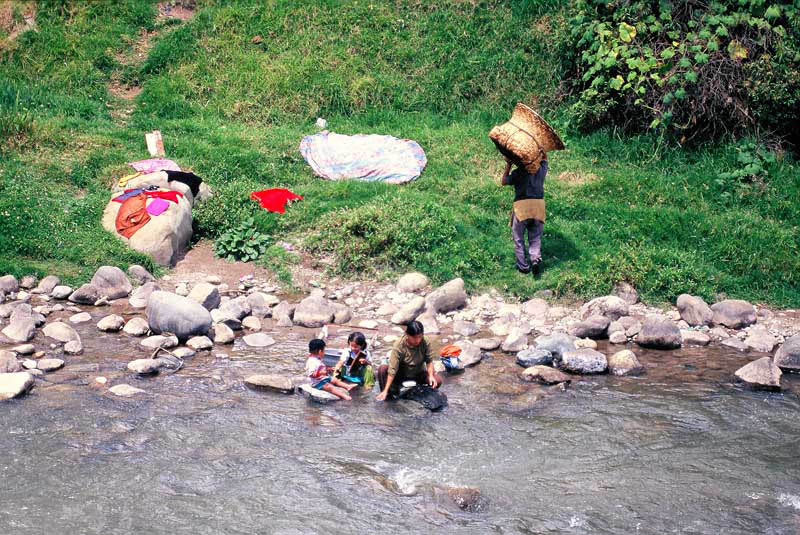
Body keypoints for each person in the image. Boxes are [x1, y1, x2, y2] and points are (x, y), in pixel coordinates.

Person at [501, 152, 548, 274]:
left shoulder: (518, 173)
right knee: (535, 237)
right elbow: (545, 159)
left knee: (518, 238)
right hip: (538, 206)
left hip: (522, 208)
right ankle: (535, 259)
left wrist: (508, 164)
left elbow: (504, 181)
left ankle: (523, 266)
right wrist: (540, 149)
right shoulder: (541, 170)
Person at [376, 321, 443, 401]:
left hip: (418, 374)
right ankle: (388, 396)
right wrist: (385, 390)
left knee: (437, 380)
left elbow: (429, 361)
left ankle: (424, 393)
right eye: (414, 337)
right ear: (407, 335)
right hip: (401, 375)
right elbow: (392, 370)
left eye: (420, 337)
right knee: (382, 369)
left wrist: (431, 376)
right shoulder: (399, 345)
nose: (417, 340)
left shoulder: (425, 342)